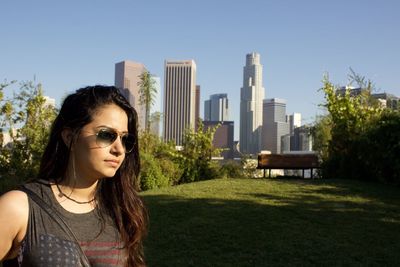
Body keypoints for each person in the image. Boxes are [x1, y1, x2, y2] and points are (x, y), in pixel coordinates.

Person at [0, 85, 147, 267]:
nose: (119, 149)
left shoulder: (120, 209)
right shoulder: (20, 208)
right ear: (69, 137)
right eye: (107, 135)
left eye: (125, 139)